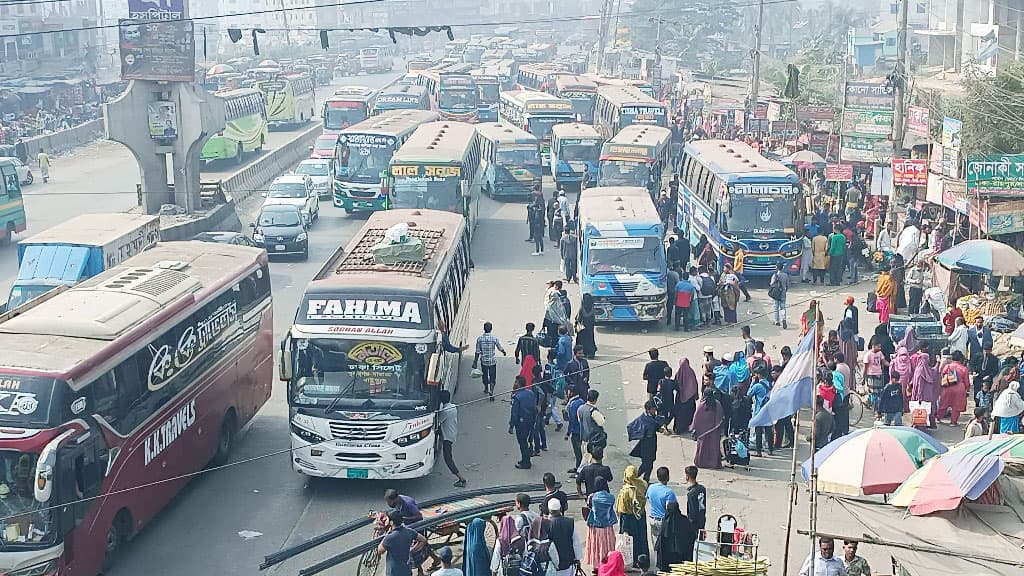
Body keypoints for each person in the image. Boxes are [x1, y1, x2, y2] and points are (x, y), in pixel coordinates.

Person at [614, 465, 650, 570]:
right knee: (641, 537)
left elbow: (622, 509)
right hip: (640, 515)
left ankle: (633, 561)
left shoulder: (626, 491)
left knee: (629, 539)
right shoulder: (643, 484)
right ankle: (643, 559)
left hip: (628, 518)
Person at [378, 510, 427, 576]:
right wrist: (412, 550)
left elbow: (380, 550)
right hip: (406, 569)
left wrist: (386, 535)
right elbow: (423, 540)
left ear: (391, 522)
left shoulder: (390, 537)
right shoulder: (409, 531)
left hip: (393, 571)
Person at [645, 466, 676, 567]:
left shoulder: (651, 488)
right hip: (664, 522)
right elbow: (671, 509)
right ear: (668, 477)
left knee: (655, 545)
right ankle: (662, 566)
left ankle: (656, 567)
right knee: (664, 546)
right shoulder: (669, 492)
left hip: (652, 520)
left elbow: (648, 498)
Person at [584, 477, 617, 570]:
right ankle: (608, 564)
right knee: (607, 545)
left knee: (596, 546)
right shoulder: (611, 497)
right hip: (607, 526)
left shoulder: (592, 497)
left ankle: (596, 566)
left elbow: (589, 506)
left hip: (595, 526)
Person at [437, 390, 468, 488]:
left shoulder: (445, 411)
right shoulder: (453, 407)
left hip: (447, 437)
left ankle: (461, 479)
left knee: (448, 459)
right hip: (451, 433)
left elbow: (439, 420)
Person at [655, 501, 696, 572]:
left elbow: (661, 540)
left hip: (667, 558)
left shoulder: (666, 522)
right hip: (682, 556)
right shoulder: (684, 520)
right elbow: (692, 535)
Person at [547, 498, 583, 576]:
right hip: (568, 561)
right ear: (560, 508)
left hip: (553, 564)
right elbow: (575, 542)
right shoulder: (570, 522)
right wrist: (578, 559)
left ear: (549, 510)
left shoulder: (546, 524)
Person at [692, 387, 724, 469]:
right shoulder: (717, 404)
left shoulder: (702, 405)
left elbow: (696, 418)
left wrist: (695, 429)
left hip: (702, 432)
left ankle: (701, 463)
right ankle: (713, 464)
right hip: (715, 432)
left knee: (703, 447)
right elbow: (720, 418)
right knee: (713, 447)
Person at [628, 400, 660, 481]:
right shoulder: (646, 419)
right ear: (648, 410)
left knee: (650, 463)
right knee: (646, 464)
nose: (654, 411)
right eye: (653, 409)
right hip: (646, 445)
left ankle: (646, 479)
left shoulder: (650, 417)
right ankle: (635, 478)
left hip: (652, 444)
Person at [509, 376, 537, 469]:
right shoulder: (530, 393)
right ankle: (525, 458)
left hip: (521, 423)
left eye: (516, 382)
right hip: (530, 421)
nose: (514, 383)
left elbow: (514, 413)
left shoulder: (517, 397)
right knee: (527, 440)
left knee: (522, 442)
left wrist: (511, 425)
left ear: (519, 384)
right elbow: (534, 408)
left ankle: (526, 462)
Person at [473, 322, 506, 400]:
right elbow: (499, 347)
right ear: (491, 329)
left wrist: (475, 362)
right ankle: (491, 390)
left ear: (484, 329)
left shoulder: (479, 339)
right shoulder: (494, 338)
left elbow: (477, 352)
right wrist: (503, 352)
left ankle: (486, 388)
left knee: (485, 376)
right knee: (492, 377)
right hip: (492, 362)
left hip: (484, 361)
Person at [938, 350, 969, 426]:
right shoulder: (964, 368)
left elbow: (942, 375)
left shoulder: (947, 366)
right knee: (956, 406)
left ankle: (938, 418)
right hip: (959, 388)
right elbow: (966, 382)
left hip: (948, 386)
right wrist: (967, 389)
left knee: (943, 404)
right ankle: (953, 422)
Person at [909, 352, 940, 429]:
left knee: (922, 410)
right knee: (926, 409)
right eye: (927, 359)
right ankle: (924, 424)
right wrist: (919, 396)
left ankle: (921, 424)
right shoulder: (922, 370)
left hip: (923, 394)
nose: (928, 360)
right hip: (924, 395)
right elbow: (920, 385)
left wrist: (938, 362)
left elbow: (934, 371)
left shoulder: (920, 369)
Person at [748, 367, 772, 457]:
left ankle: (759, 451)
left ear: (758, 375)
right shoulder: (770, 384)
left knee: (758, 431)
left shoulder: (757, 386)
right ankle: (770, 449)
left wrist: (752, 382)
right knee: (768, 430)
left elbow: (749, 394)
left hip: (759, 410)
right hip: (768, 410)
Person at [674, 358, 700, 434]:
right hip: (690, 398)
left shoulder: (678, 374)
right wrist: (695, 394)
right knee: (689, 413)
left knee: (680, 414)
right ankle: (689, 427)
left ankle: (679, 428)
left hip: (680, 398)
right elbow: (694, 384)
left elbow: (675, 385)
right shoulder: (691, 372)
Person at [863, 341, 887, 412]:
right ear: (873, 346)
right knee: (873, 392)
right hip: (871, 375)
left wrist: (891, 364)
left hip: (879, 374)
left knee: (879, 392)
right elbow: (865, 367)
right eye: (878, 346)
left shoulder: (880, 353)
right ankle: (875, 407)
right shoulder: (868, 355)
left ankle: (876, 407)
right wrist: (864, 378)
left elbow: (884, 361)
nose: (880, 348)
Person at [565, 389, 585, 473]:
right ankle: (578, 467)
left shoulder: (572, 404)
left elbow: (572, 420)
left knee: (577, 452)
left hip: (576, 431)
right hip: (582, 430)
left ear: (572, 393)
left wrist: (568, 433)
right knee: (580, 451)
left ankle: (579, 470)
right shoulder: (581, 401)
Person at [683, 466, 706, 532]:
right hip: (702, 517)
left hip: (694, 523)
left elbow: (692, 511)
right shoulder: (702, 488)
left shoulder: (691, 494)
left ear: (687, 476)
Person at [656, 366, 678, 432]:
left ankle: (662, 425)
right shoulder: (672, 382)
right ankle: (666, 424)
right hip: (670, 401)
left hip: (662, 400)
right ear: (671, 374)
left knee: (664, 414)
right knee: (672, 413)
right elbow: (677, 389)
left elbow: (658, 390)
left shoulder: (661, 381)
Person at [575, 295, 597, 359]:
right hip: (590, 328)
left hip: (583, 328)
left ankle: (582, 353)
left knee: (582, 340)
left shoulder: (582, 308)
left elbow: (578, 318)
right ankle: (590, 353)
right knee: (590, 340)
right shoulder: (592, 308)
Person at [768, 262, 789, 328]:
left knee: (776, 307)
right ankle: (784, 319)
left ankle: (777, 321)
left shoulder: (775, 275)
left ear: (777, 267)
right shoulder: (785, 275)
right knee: (783, 307)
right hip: (783, 293)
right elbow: (787, 285)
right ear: (782, 267)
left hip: (776, 294)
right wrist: (785, 291)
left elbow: (771, 284)